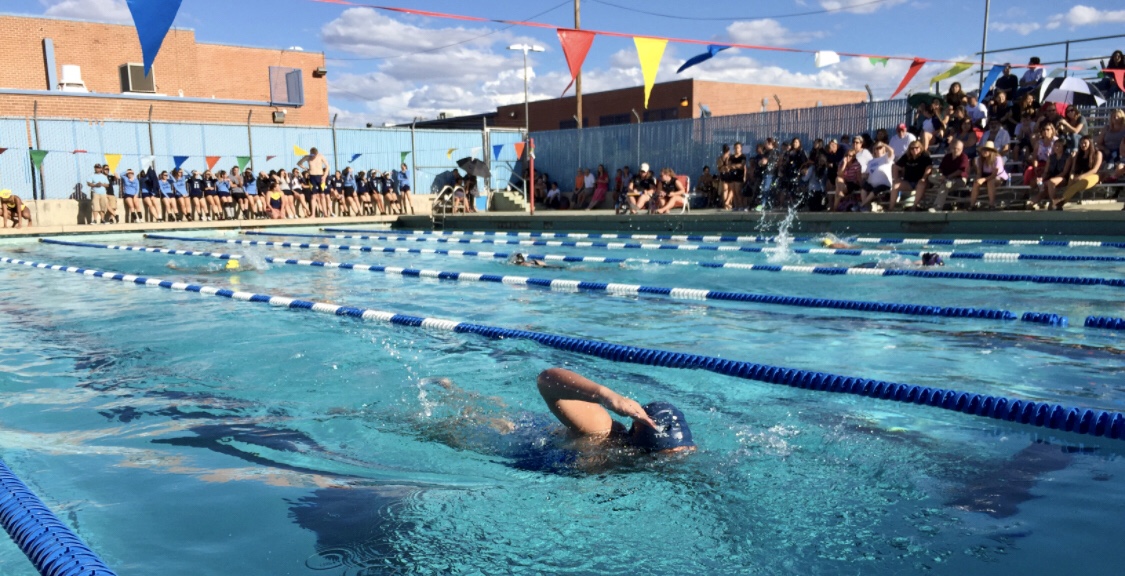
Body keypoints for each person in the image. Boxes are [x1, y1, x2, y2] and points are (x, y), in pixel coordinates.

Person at [536, 368, 694, 455]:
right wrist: (605, 395)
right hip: (531, 448)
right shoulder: (604, 433)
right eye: (663, 456)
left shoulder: (684, 452)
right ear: (636, 447)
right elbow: (546, 380)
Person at [1056, 135, 1103, 209]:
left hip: (1092, 176)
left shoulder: (1097, 153)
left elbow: (1095, 170)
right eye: (1081, 143)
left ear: (1090, 143)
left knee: (1077, 185)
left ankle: (1060, 202)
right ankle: (1059, 203)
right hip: (1079, 175)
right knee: (1071, 184)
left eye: (1085, 143)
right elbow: (1073, 169)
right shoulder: (1078, 154)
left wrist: (1082, 176)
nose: (1083, 145)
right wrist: (1072, 177)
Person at [928, 139, 971, 211]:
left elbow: (960, 171)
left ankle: (937, 206)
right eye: (954, 148)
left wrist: (947, 177)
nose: (956, 150)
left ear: (961, 149)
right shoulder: (947, 157)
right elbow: (941, 168)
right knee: (931, 177)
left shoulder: (964, 157)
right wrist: (937, 172)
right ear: (951, 147)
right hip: (946, 178)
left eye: (958, 149)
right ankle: (936, 205)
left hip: (959, 179)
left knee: (944, 185)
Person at [1032, 139, 1072, 210]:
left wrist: (1051, 180)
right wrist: (1041, 178)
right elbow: (1046, 172)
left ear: (1063, 147)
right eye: (1055, 146)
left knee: (1051, 182)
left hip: (1062, 178)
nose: (1056, 147)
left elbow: (1064, 172)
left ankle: (1053, 202)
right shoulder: (1051, 157)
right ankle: (1031, 203)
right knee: (1042, 187)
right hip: (1051, 178)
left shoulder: (1068, 157)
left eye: (1059, 146)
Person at [968, 141, 1009, 210]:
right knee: (976, 183)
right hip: (986, 176)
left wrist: (983, 179)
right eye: (983, 150)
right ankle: (972, 205)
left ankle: (991, 204)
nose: (984, 151)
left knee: (991, 182)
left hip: (998, 178)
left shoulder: (997, 159)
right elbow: (979, 173)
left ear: (991, 151)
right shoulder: (980, 160)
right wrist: (978, 179)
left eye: (986, 150)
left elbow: (994, 175)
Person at [861, 143, 894, 211]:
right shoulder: (870, 162)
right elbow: (867, 173)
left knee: (874, 191)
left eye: (880, 148)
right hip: (872, 184)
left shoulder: (886, 158)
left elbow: (891, 151)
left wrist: (883, 144)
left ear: (883, 149)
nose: (878, 149)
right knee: (863, 189)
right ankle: (866, 206)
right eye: (877, 148)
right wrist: (863, 175)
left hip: (884, 184)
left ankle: (862, 204)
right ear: (874, 150)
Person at [716, 144, 733, 210]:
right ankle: (727, 202)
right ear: (728, 150)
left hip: (722, 174)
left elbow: (719, 168)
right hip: (729, 174)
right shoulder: (729, 157)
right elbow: (730, 167)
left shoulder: (719, 158)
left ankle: (725, 206)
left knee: (725, 191)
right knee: (732, 190)